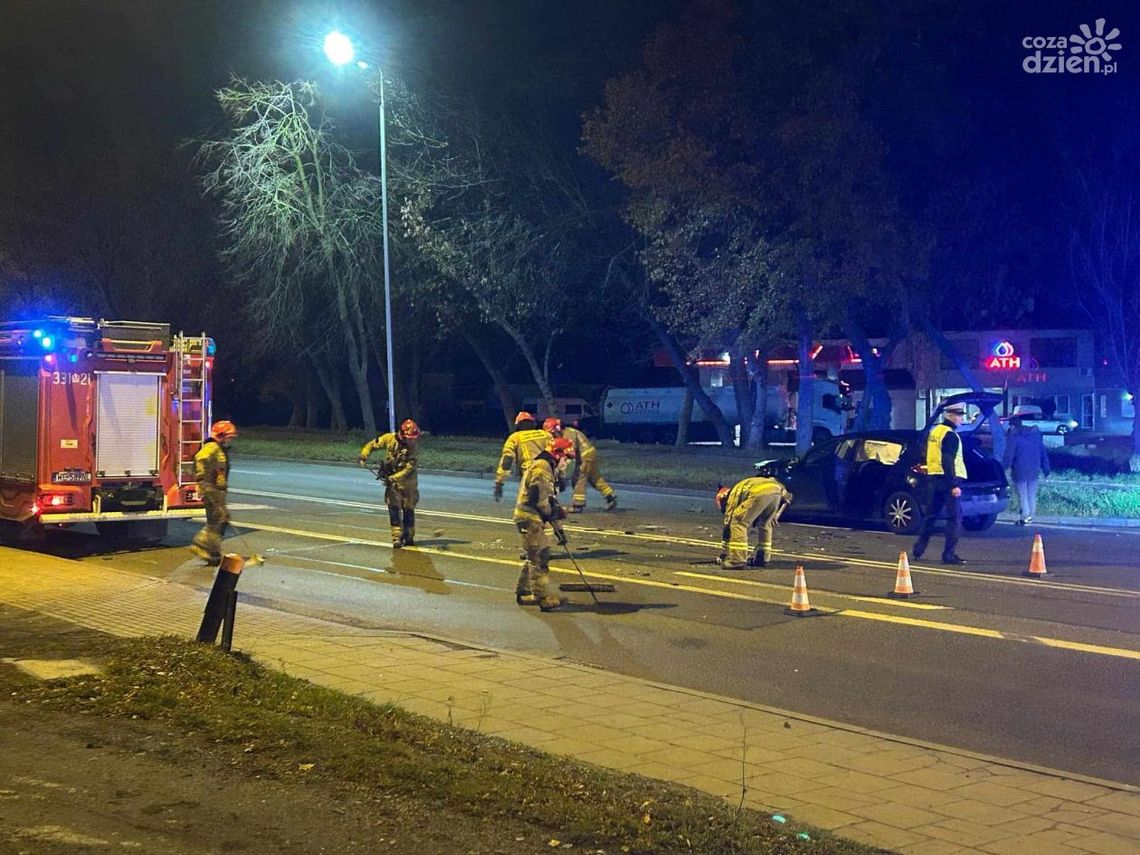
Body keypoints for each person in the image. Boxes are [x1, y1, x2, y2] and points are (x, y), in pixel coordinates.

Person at [513, 437, 576, 611]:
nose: (567, 463)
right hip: (529, 518)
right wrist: (552, 513)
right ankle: (542, 598)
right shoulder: (542, 468)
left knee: (533, 555)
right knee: (540, 557)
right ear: (558, 454)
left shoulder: (548, 467)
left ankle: (524, 591)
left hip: (533, 518)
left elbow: (550, 501)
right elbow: (540, 500)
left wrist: (559, 529)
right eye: (567, 459)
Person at [913, 403, 968, 564]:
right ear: (950, 416)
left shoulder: (935, 432)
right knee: (954, 518)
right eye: (959, 415)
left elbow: (928, 453)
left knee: (931, 515)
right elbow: (947, 460)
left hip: (934, 478)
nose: (961, 418)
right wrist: (953, 485)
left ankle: (919, 549)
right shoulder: (950, 435)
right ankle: (949, 554)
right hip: (948, 479)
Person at [359, 419, 421, 548]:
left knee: (408, 508)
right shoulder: (389, 439)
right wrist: (364, 455)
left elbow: (408, 469)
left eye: (414, 439)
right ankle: (396, 537)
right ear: (402, 435)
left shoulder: (414, 449)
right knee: (393, 508)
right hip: (393, 483)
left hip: (408, 483)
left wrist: (391, 479)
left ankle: (409, 536)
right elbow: (372, 444)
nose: (412, 441)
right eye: (410, 439)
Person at [715, 477, 793, 569]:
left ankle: (737, 560)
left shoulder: (733, 494)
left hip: (759, 494)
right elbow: (787, 496)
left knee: (738, 522)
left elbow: (729, 521)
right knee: (765, 524)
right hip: (776, 493)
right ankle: (763, 558)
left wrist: (725, 551)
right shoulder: (752, 483)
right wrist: (776, 514)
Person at [543, 417, 617, 512]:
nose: (552, 436)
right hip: (589, 454)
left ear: (557, 428)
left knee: (578, 478)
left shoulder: (568, 435)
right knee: (595, 478)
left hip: (585, 456)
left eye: (552, 433)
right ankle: (610, 495)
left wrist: (560, 470)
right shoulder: (568, 432)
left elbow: (570, 452)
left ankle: (578, 505)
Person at [190, 420, 238, 566]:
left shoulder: (219, 448)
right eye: (229, 437)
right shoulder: (212, 447)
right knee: (219, 518)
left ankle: (212, 552)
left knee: (218, 519)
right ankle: (201, 544)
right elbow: (200, 458)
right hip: (210, 489)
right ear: (221, 436)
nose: (231, 440)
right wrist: (202, 480)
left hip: (215, 489)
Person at [1003, 407, 1050, 525]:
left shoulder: (1014, 438)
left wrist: (1003, 468)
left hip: (1020, 470)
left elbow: (1009, 455)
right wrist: (1046, 469)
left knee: (1022, 494)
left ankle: (1025, 517)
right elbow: (1043, 453)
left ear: (1013, 425)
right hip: (1034, 469)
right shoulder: (1035, 436)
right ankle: (1031, 515)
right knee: (1031, 494)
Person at [494, 411, 550, 503]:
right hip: (548, 472)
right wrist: (561, 476)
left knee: (527, 503)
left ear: (518, 425)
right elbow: (557, 454)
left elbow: (507, 461)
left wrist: (499, 482)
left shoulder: (515, 437)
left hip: (530, 472)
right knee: (547, 500)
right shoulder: (546, 435)